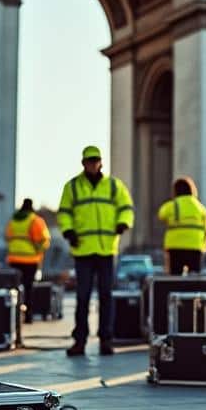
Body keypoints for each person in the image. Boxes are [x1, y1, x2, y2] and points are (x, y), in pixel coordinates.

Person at [58, 146, 134, 356]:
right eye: (89, 161)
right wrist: (68, 231)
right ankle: (80, 340)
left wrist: (123, 223)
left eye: (96, 160)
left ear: (101, 162)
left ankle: (106, 340)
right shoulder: (71, 187)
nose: (93, 164)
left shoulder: (114, 186)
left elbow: (126, 208)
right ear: (83, 163)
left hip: (106, 248)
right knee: (82, 297)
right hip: (82, 249)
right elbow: (64, 212)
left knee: (106, 296)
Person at [6, 198, 51, 323]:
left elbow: (8, 237)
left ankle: (14, 316)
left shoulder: (13, 221)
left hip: (14, 258)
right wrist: (39, 250)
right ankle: (28, 315)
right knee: (29, 287)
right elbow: (44, 240)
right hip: (30, 259)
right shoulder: (35, 220)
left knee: (14, 287)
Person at [158, 177, 206, 275]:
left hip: (175, 247)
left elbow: (161, 214)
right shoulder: (201, 208)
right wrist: (204, 246)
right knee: (194, 277)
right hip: (196, 247)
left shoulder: (172, 205)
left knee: (175, 276)